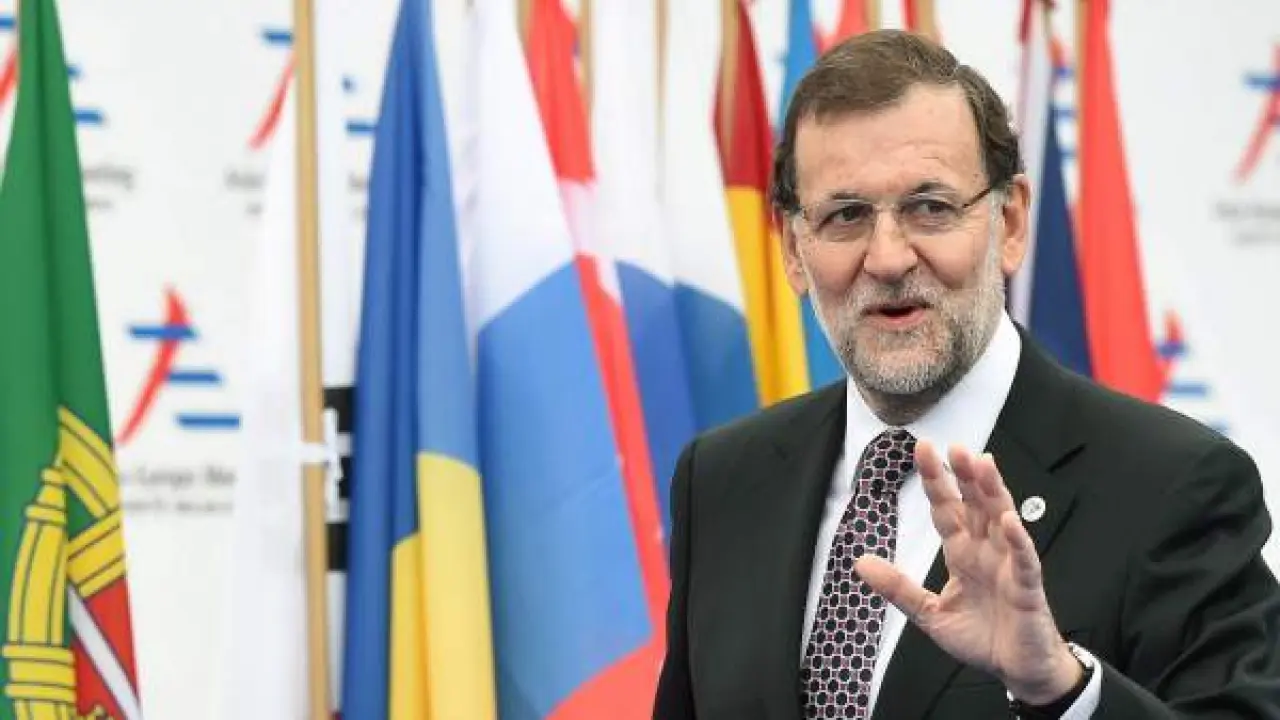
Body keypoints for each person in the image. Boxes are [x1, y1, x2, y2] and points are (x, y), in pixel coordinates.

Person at [652, 29, 1280, 720]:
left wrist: (1062, 689)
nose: (888, 258)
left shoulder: (1171, 486)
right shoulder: (723, 481)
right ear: (795, 251)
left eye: (930, 207)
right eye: (846, 215)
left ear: (1009, 222)